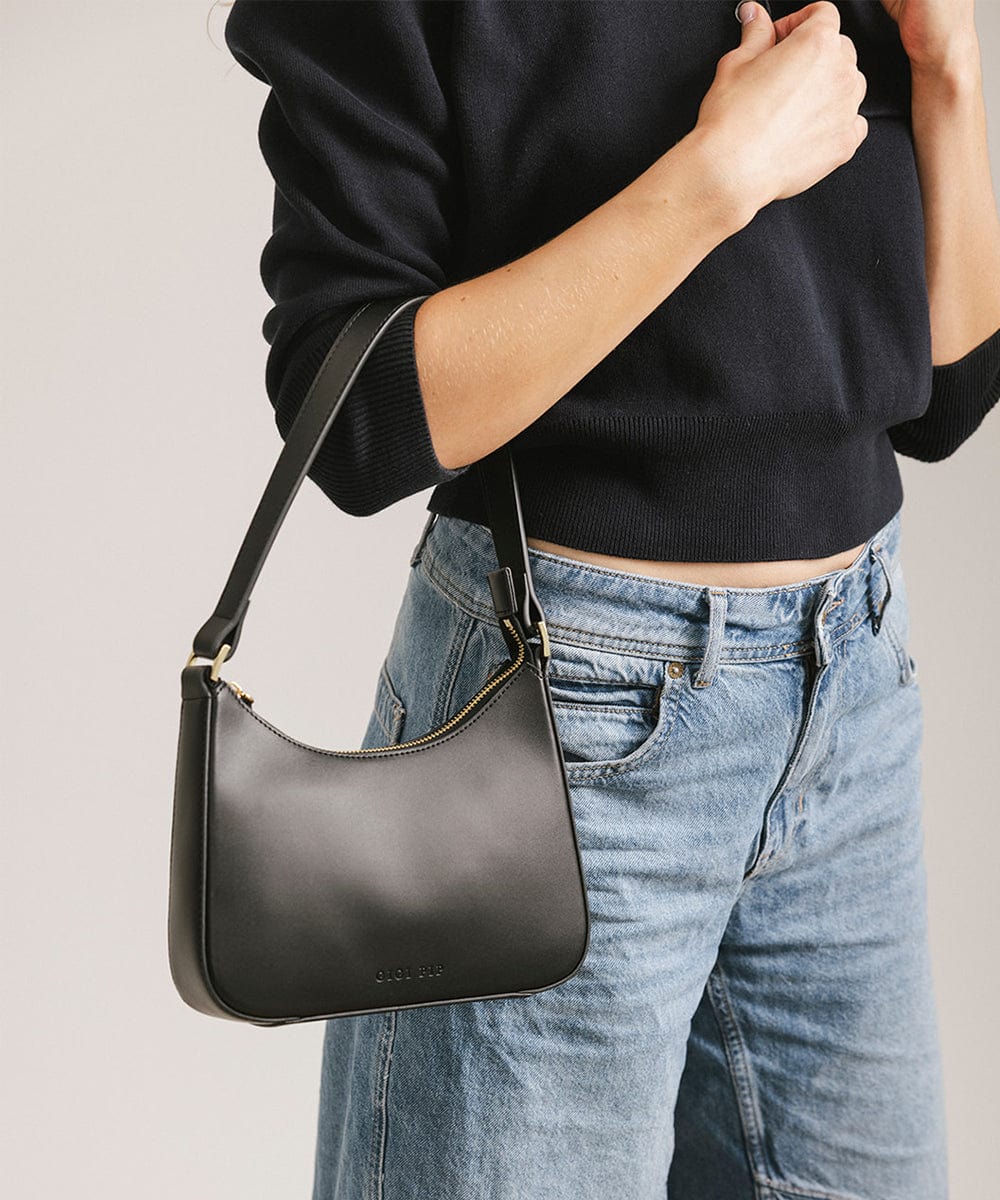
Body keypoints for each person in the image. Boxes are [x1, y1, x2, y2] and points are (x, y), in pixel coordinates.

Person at [223, 1, 1000, 1196]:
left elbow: (944, 393)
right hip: (564, 720)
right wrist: (711, 181)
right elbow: (361, 413)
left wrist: (946, 68)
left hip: (850, 697)